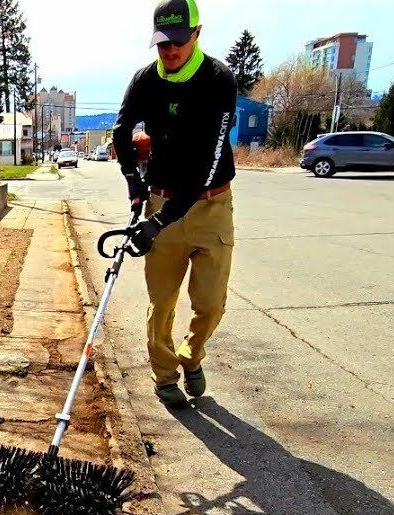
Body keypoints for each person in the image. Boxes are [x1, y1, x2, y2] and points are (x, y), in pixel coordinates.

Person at [111, 0, 237, 409]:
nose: (170, 51)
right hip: (162, 196)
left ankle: (191, 354)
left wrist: (160, 220)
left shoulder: (218, 80)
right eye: (163, 44)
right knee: (162, 302)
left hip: (210, 203)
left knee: (211, 304)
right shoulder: (146, 79)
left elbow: (207, 163)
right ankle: (165, 374)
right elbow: (121, 128)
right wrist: (135, 182)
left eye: (178, 42)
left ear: (197, 34)